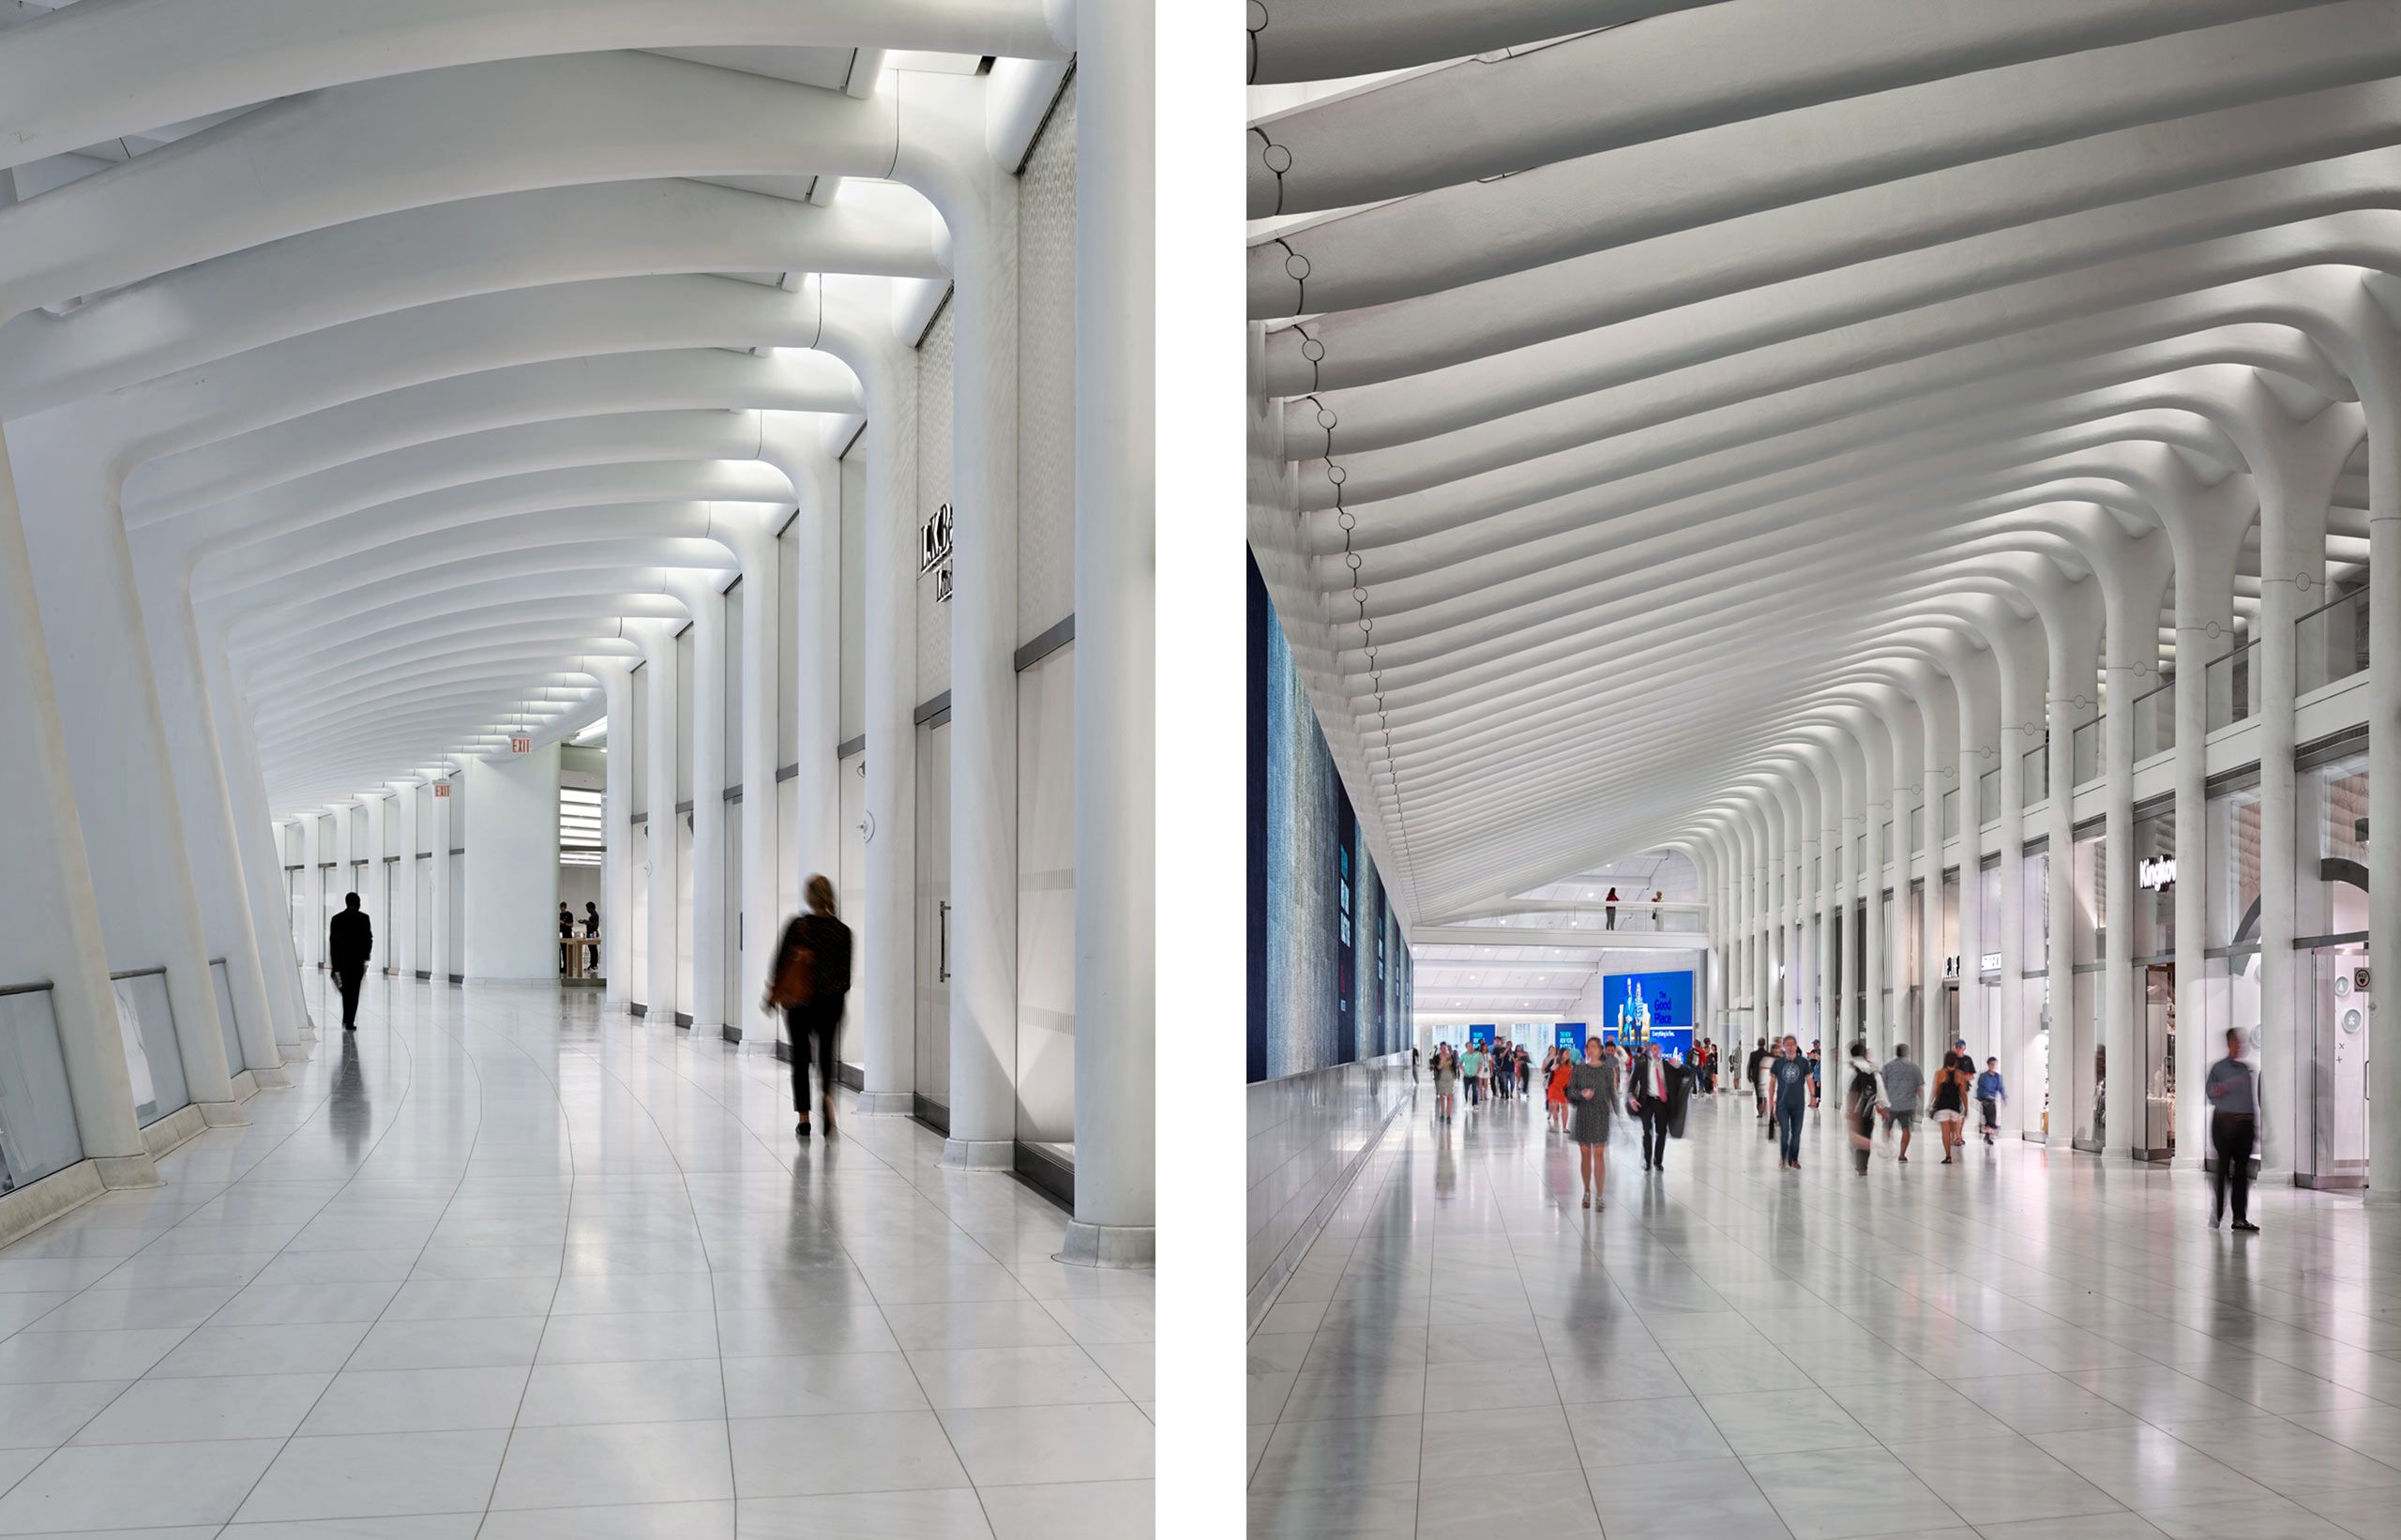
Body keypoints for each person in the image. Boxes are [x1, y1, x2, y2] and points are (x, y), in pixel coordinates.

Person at [766, 874, 853, 1140]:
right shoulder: (843, 931)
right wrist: (829, 992)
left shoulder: (797, 926)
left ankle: (804, 1118)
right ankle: (827, 1099)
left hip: (800, 1004)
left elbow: (779, 964)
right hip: (831, 1004)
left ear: (808, 897)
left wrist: (777, 989)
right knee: (826, 1056)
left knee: (801, 1060)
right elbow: (846, 978)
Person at [2206, 1029, 2260, 1232]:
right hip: (2224, 1124)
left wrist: (2254, 1125)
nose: (2241, 1046)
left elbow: (2250, 1100)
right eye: (2236, 1043)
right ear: (2229, 1044)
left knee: (2241, 1173)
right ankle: (2217, 1212)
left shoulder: (2247, 1069)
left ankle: (2239, 1218)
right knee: (2222, 1171)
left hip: (2245, 1126)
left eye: (2242, 1043)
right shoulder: (2218, 1069)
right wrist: (2227, 1086)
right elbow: (2211, 1094)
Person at [1568, 1034, 1616, 1208]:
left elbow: (1612, 1093)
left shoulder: (1607, 1070)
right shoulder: (1579, 1070)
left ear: (1600, 1050)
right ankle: (1587, 1190)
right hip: (1584, 1114)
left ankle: (1600, 1195)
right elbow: (1570, 1092)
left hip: (1601, 1114)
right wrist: (1581, 1094)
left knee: (1599, 1155)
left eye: (1594, 1047)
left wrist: (1620, 1115)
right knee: (1586, 1154)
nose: (1591, 1050)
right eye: (1588, 1047)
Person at [1626, 1042, 1687, 1172]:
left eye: (1657, 1048)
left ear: (1661, 1050)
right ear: (1649, 1051)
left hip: (1662, 1102)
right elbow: (1633, 1082)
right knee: (1647, 1132)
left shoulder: (1667, 1065)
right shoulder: (1642, 1065)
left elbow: (1686, 1073)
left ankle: (1658, 1161)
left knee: (1662, 1132)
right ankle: (1647, 1161)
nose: (1654, 1051)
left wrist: (1677, 1065)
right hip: (1647, 1102)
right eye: (1652, 1048)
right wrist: (1631, 1097)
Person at [327, 892, 371, 1030]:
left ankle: (347, 1017)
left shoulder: (337, 919)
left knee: (346, 990)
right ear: (358, 903)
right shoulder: (364, 918)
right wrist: (365, 957)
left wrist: (334, 963)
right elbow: (368, 939)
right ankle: (349, 1020)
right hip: (357, 962)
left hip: (342, 962)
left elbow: (333, 943)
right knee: (354, 991)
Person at [1769, 1035, 1811, 1168]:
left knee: (1796, 1133)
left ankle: (1794, 1159)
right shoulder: (1778, 1063)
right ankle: (1783, 1157)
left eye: (1792, 1044)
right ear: (1784, 1046)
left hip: (1798, 1104)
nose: (1789, 1047)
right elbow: (1772, 1083)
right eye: (1787, 1044)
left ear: (1796, 1045)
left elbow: (1809, 1080)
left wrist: (1814, 1096)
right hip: (1782, 1104)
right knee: (1785, 1132)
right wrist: (1771, 1100)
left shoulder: (1803, 1062)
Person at [1845, 1041, 1884, 1174]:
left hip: (1855, 1113)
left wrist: (1850, 1112)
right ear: (1864, 1054)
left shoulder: (1851, 1069)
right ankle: (1863, 1167)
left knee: (1856, 1139)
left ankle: (1860, 1164)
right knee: (1867, 1136)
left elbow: (1849, 1092)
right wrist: (1880, 1106)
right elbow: (1879, 1090)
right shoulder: (1872, 1069)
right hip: (1869, 1112)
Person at [1880, 1042, 1923, 1163]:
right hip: (1908, 1105)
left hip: (1891, 1104)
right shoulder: (1914, 1067)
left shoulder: (1887, 1067)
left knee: (1887, 1128)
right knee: (1906, 1129)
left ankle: (1888, 1148)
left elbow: (1882, 1086)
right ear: (1906, 1053)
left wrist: (1881, 1103)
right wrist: (1919, 1104)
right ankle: (1902, 1154)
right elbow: (1919, 1088)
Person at [1931, 1051, 1968, 1163]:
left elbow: (1936, 1091)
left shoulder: (1940, 1073)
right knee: (1952, 1129)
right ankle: (1957, 1136)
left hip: (1943, 1106)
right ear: (1956, 1061)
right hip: (1955, 1106)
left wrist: (1931, 1103)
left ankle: (1948, 1156)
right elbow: (1963, 1094)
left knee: (1945, 1131)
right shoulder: (1960, 1074)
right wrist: (1966, 1108)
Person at [1975, 1058, 2005, 1145]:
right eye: (1991, 1064)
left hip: (1992, 1100)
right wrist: (1981, 1098)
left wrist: (2004, 1097)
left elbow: (2000, 1088)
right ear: (1988, 1065)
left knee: (1990, 1118)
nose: (1993, 1066)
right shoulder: (1983, 1076)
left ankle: (1987, 1136)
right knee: (1990, 1117)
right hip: (1986, 1100)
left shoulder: (1998, 1077)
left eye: (1995, 1064)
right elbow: (1980, 1088)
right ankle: (1991, 1129)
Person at [1547, 1046, 1573, 1133]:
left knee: (1565, 1107)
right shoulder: (1555, 1061)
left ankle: (1565, 1127)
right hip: (1554, 1087)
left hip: (1564, 1089)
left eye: (1568, 1053)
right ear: (1561, 1054)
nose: (1568, 1054)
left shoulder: (1570, 1063)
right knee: (1555, 1107)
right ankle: (1556, 1123)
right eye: (1566, 1053)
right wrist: (1552, 1068)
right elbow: (1546, 1069)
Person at [1746, 1037, 1771, 1120]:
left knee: (1759, 1095)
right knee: (1766, 1095)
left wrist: (1749, 1076)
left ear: (1758, 1044)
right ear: (1764, 1044)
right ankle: (1765, 1110)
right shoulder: (1767, 1054)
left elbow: (1749, 1066)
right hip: (1766, 1077)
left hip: (1756, 1077)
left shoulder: (1753, 1054)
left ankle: (1760, 1112)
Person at [1432, 1047, 1457, 1120]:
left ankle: (1449, 1115)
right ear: (1440, 1049)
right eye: (1442, 1048)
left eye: (1445, 1048)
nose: (1444, 1050)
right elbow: (1438, 1067)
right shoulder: (1437, 1057)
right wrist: (1442, 1061)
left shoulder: (1450, 1056)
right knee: (1442, 1097)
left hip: (1450, 1077)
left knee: (1449, 1096)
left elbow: (1454, 1066)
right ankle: (1442, 1113)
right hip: (1441, 1078)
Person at [1460, 1041, 1485, 1108]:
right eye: (1469, 1046)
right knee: (1466, 1090)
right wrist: (1463, 1071)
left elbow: (1481, 1064)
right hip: (1466, 1075)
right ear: (1466, 1047)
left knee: (1475, 1090)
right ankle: (1466, 1103)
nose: (1471, 1047)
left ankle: (1475, 1104)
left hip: (1475, 1075)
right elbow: (1460, 1063)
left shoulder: (1478, 1054)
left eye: (1472, 1046)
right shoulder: (1463, 1055)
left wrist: (1477, 1072)